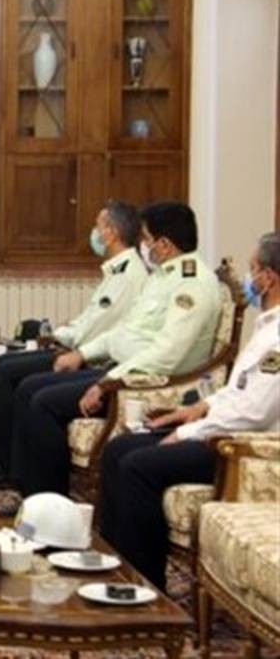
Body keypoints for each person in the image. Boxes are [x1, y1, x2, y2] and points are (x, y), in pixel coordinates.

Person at [0, 202, 221, 510]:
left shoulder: (193, 284)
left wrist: (107, 382)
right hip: (121, 368)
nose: (143, 246)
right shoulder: (161, 277)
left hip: (145, 383)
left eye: (146, 239)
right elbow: (123, 332)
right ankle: (27, 491)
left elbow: (167, 354)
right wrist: (81, 353)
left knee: (44, 403)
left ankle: (49, 504)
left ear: (165, 245)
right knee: (29, 387)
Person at [97, 231, 280, 591]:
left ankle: (144, 586)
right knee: (119, 448)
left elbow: (254, 413)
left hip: (240, 448)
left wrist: (187, 433)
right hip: (219, 427)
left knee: (137, 467)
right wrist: (198, 408)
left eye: (253, 269)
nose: (248, 279)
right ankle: (114, 567)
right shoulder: (267, 327)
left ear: (269, 278)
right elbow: (240, 391)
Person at [0, 202, 147, 489]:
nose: (94, 233)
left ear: (111, 233)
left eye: (98, 226)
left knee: (10, 372)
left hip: (93, 359)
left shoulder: (128, 275)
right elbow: (91, 320)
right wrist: (64, 333)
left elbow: (94, 328)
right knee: (4, 364)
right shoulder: (116, 270)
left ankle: (3, 467)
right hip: (82, 350)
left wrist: (59, 336)